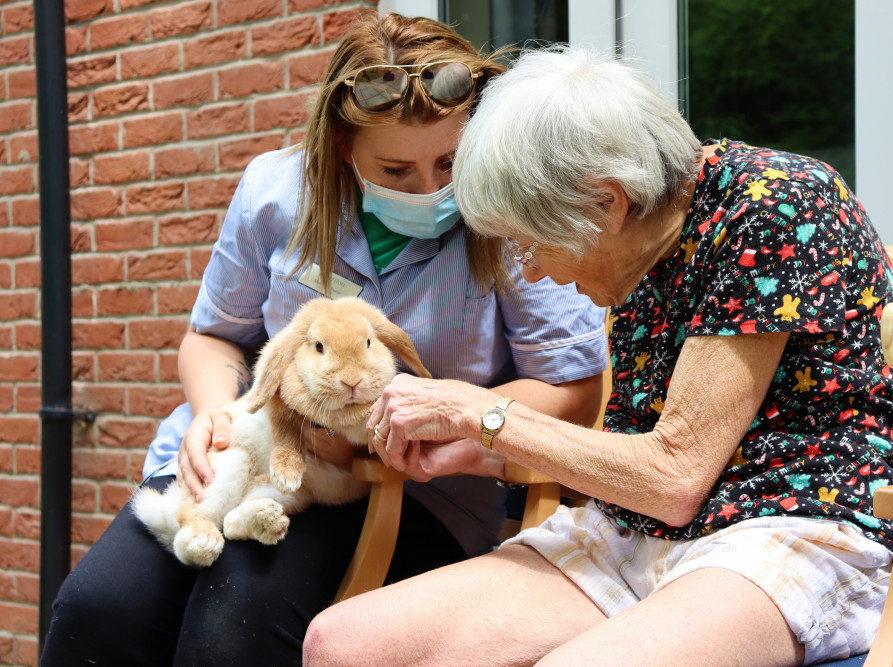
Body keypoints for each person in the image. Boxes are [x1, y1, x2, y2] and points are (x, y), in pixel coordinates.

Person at [302, 46, 893, 667]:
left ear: (607, 202)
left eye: (531, 241)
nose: (531, 270)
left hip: (789, 530)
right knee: (343, 646)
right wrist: (484, 446)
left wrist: (484, 414)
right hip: (634, 530)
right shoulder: (646, 236)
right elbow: (645, 468)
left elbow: (674, 476)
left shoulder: (774, 208)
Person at [40, 15, 607, 666]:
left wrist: (433, 421)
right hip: (245, 454)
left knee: (231, 632)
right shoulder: (274, 194)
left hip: (408, 491)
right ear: (343, 146)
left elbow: (571, 386)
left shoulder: (510, 217)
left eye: (450, 161)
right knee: (97, 609)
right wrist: (215, 414)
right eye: (395, 168)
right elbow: (214, 339)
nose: (431, 189)